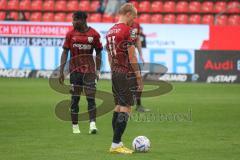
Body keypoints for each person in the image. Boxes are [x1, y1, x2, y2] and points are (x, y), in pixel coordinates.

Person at [106, 3, 142, 154]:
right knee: (126, 108)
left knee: (118, 106)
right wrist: (139, 78)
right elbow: (132, 56)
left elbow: (108, 53)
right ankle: (116, 145)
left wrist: (113, 70)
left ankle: (117, 142)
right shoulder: (129, 31)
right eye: (133, 17)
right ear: (128, 14)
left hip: (115, 72)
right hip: (126, 73)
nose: (134, 20)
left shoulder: (110, 31)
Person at [59, 11, 103, 134]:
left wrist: (98, 70)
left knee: (91, 98)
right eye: (73, 19)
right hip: (75, 73)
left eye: (75, 20)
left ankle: (92, 125)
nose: (73, 22)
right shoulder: (70, 34)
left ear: (83, 20)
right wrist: (62, 71)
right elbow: (65, 52)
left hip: (89, 72)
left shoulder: (94, 34)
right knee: (75, 99)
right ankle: (75, 126)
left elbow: (99, 51)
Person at [130, 22, 150, 112]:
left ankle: (138, 105)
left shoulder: (136, 25)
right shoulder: (121, 26)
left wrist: (141, 54)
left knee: (139, 82)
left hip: (133, 58)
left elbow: (137, 39)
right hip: (123, 59)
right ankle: (123, 105)